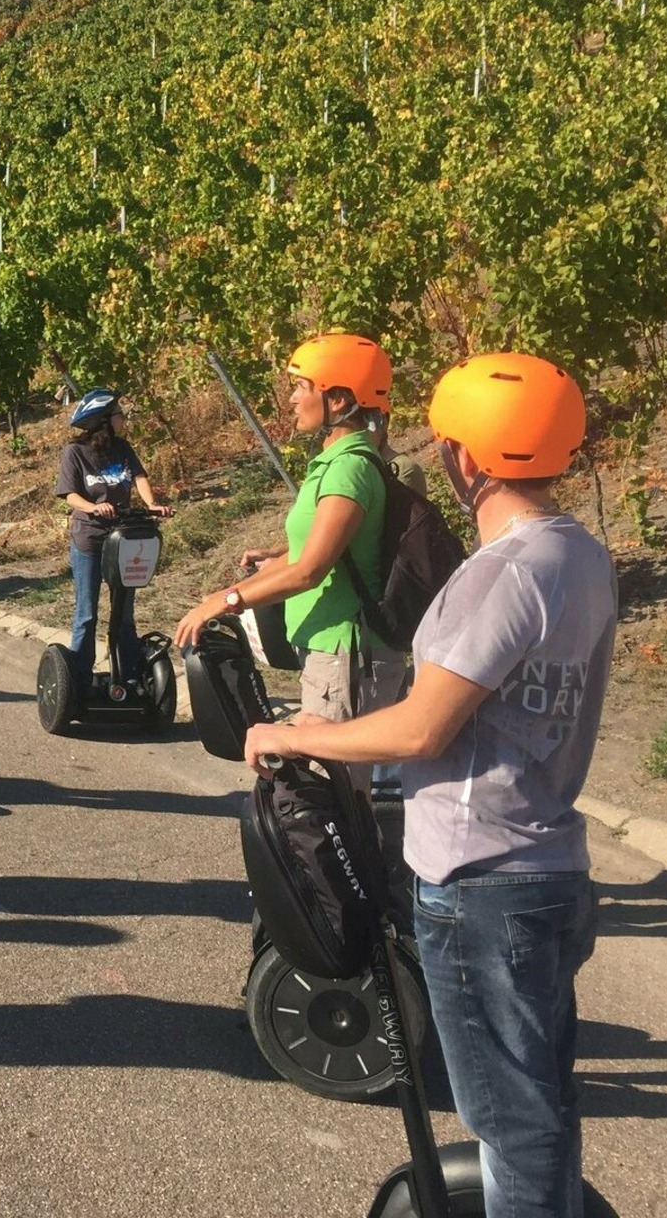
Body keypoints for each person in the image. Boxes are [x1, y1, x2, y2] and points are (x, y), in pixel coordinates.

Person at [244, 353, 611, 1217]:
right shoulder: (581, 556)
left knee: (509, 1124)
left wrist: (300, 734)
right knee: (543, 1107)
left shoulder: (499, 575)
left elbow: (420, 728)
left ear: (465, 458)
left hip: (479, 880)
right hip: (550, 867)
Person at [173, 333, 406, 748]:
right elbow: (302, 554)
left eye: (302, 386)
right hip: (328, 651)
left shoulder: (349, 469)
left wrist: (227, 601)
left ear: (338, 400)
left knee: (331, 780)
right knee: (322, 779)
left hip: (346, 653)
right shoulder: (335, 462)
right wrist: (230, 591)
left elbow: (308, 570)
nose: (293, 398)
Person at [55, 388, 168, 694]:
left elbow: (139, 477)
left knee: (124, 613)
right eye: (119, 414)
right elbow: (70, 494)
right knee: (87, 613)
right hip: (89, 540)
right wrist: (93, 507)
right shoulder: (75, 452)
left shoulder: (123, 448)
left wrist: (152, 504)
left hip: (123, 539)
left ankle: (129, 676)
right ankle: (80, 679)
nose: (123, 419)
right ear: (104, 420)